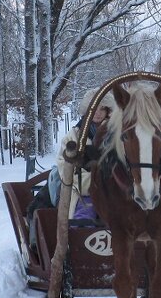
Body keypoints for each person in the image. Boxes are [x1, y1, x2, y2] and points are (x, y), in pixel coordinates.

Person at [49, 88, 114, 225]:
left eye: (102, 109)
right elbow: (64, 166)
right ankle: (80, 240)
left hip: (114, 191)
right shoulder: (74, 135)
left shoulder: (116, 134)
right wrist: (92, 183)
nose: (97, 113)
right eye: (94, 108)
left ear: (108, 111)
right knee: (84, 216)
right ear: (87, 109)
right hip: (83, 191)